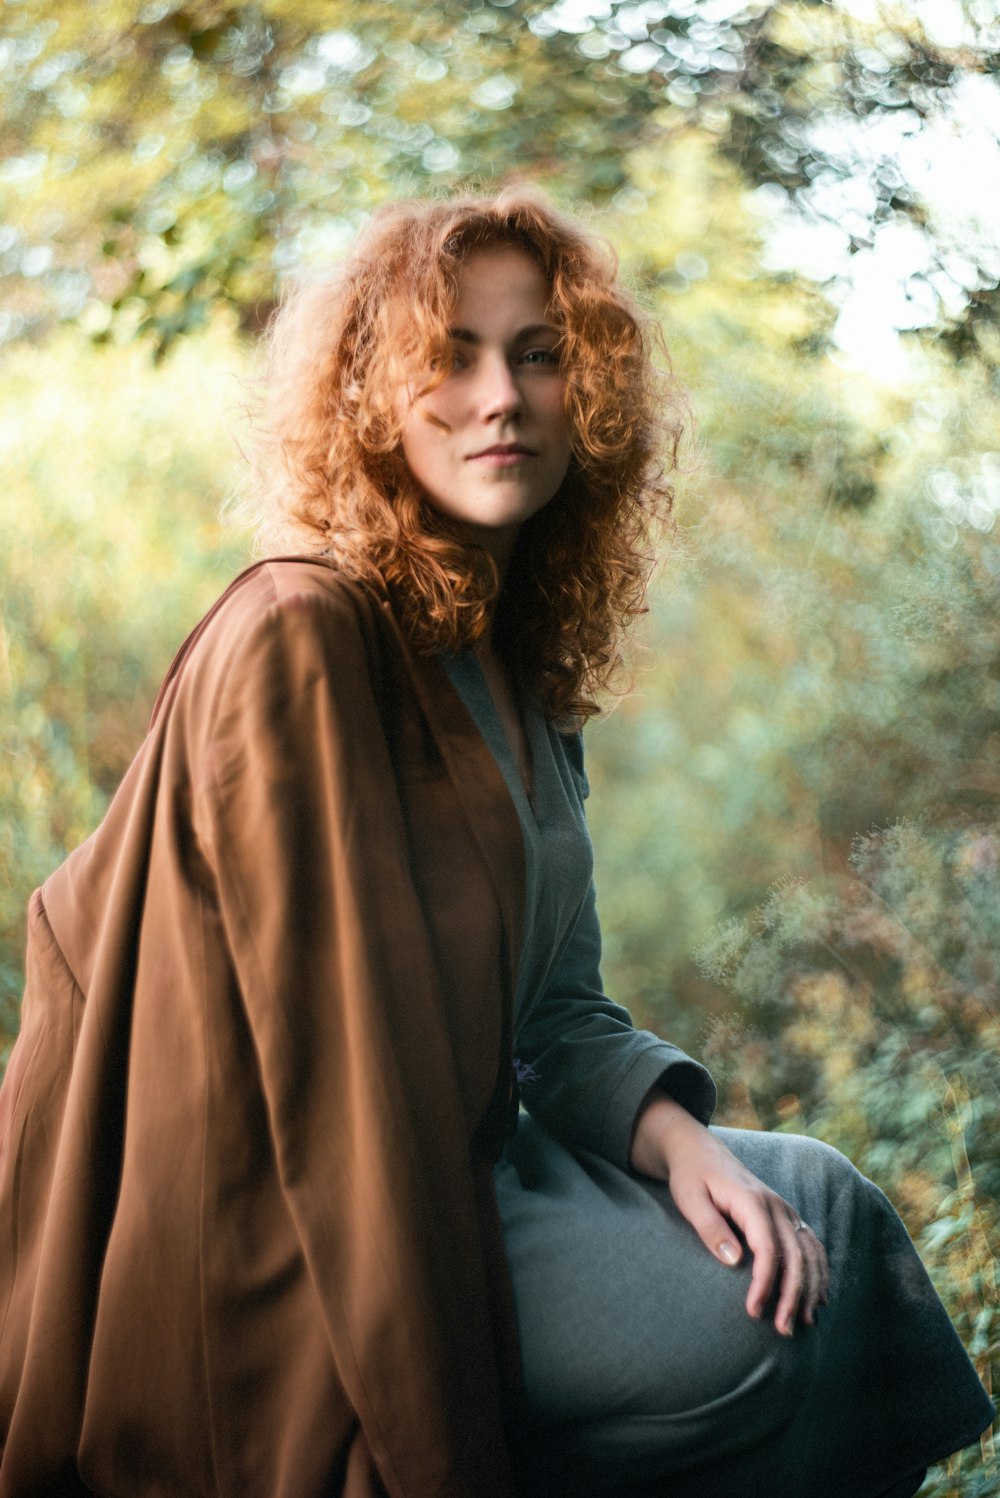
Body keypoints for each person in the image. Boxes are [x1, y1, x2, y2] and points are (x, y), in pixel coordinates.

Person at [0, 189, 992, 1498]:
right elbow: (338, 1097)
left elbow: (564, 1017)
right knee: (738, 1332)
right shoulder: (303, 637)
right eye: (451, 354)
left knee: (827, 1208)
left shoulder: (514, 668)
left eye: (537, 353)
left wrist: (687, 1145)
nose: (501, 395)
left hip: (465, 1160)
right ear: (368, 394)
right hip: (289, 1233)